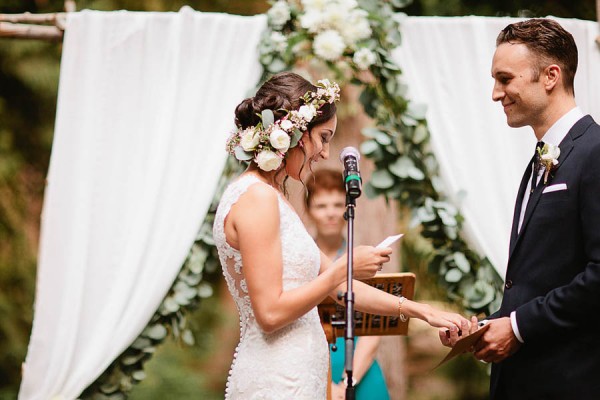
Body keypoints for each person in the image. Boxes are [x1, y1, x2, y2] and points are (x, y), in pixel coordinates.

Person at [214, 71, 470, 399]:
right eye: (323, 137)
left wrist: (424, 311)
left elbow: (339, 286)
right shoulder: (256, 198)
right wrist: (342, 266)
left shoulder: (272, 197)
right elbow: (270, 313)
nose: (325, 152)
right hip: (277, 379)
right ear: (296, 135)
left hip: (299, 375)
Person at [441, 18, 600, 399]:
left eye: (505, 79)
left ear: (550, 76)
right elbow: (542, 275)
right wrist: (488, 327)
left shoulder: (594, 153)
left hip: (572, 381)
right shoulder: (540, 160)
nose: (496, 93)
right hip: (526, 380)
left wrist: (518, 326)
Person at [305, 168, 389, 400]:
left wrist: (346, 383)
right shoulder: (300, 260)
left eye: (337, 204)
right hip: (308, 369)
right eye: (321, 206)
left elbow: (374, 331)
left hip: (361, 372)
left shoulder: (363, 262)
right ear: (309, 210)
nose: (330, 213)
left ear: (347, 209)